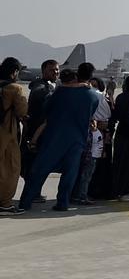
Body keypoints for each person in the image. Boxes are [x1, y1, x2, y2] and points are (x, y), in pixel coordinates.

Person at [19, 67, 99, 211]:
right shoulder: (93, 95)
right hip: (78, 139)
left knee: (39, 171)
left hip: (55, 137)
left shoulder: (59, 93)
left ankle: (25, 202)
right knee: (70, 172)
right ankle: (63, 203)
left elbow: (46, 109)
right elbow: (90, 114)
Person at [0, 57, 28, 216]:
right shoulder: (14, 88)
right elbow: (22, 111)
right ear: (14, 72)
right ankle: (5, 204)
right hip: (7, 131)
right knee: (10, 167)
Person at [21, 59, 57, 181]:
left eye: (57, 69)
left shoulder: (47, 86)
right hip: (37, 131)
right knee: (35, 164)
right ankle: (33, 193)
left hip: (41, 131)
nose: (55, 72)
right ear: (43, 71)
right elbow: (39, 93)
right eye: (52, 70)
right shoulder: (42, 87)